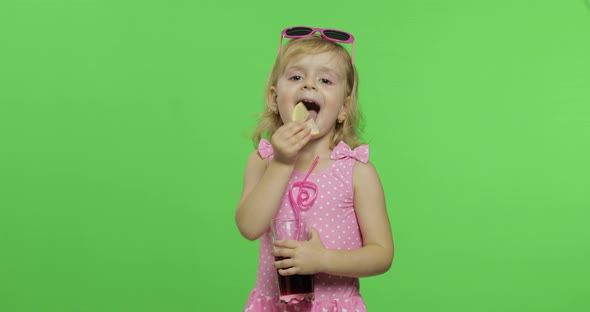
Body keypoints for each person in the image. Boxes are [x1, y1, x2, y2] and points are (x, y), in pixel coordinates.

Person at [236, 26, 394, 312]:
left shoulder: (357, 172)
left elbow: (382, 255)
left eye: (325, 80)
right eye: (296, 77)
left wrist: (323, 259)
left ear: (344, 108)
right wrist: (283, 162)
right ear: (274, 98)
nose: (309, 85)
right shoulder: (263, 161)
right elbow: (249, 227)